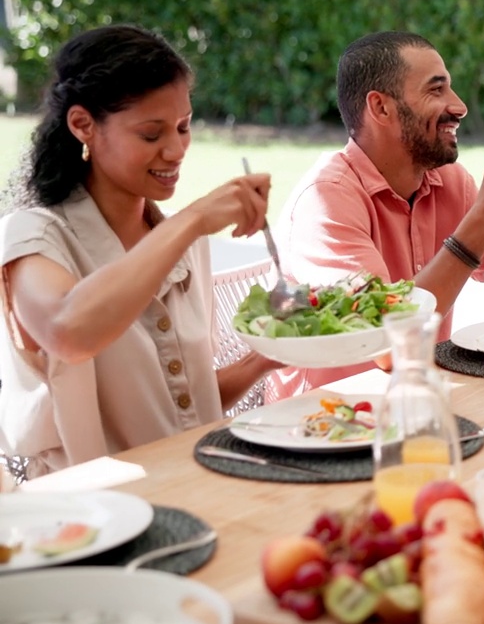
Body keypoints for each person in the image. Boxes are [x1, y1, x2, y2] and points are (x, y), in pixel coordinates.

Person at [0, 25, 278, 477]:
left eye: (184, 127)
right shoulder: (32, 238)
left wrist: (268, 356)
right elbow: (68, 334)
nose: (175, 150)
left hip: (195, 488)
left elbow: (185, 406)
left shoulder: (179, 240)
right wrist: (192, 221)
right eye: (151, 135)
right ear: (82, 125)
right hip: (90, 520)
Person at [269, 31, 484, 400]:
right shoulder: (325, 202)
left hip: (417, 402)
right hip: (322, 425)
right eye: (436, 90)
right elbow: (389, 346)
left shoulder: (450, 183)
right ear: (380, 108)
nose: (459, 106)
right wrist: (482, 223)